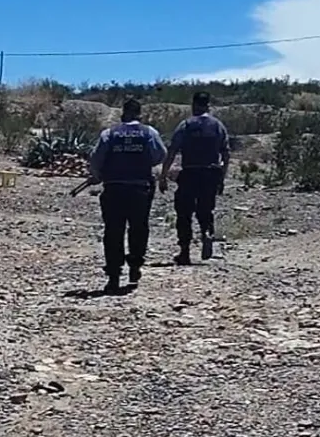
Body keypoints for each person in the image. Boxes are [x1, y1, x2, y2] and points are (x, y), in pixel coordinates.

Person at [88, 98, 167, 293]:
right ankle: (135, 266)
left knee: (113, 231)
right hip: (139, 188)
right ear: (140, 114)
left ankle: (114, 275)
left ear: (123, 114)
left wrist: (98, 176)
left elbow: (96, 159)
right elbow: (160, 155)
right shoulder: (149, 132)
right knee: (138, 228)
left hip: (114, 189)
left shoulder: (109, 134)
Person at [158, 91, 230, 265]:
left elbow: (172, 150)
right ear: (208, 105)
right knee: (206, 209)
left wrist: (163, 175)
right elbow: (226, 153)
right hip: (210, 173)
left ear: (193, 105)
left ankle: (185, 251)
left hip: (190, 173)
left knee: (184, 213)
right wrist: (222, 177)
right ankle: (207, 232)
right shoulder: (218, 126)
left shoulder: (186, 125)